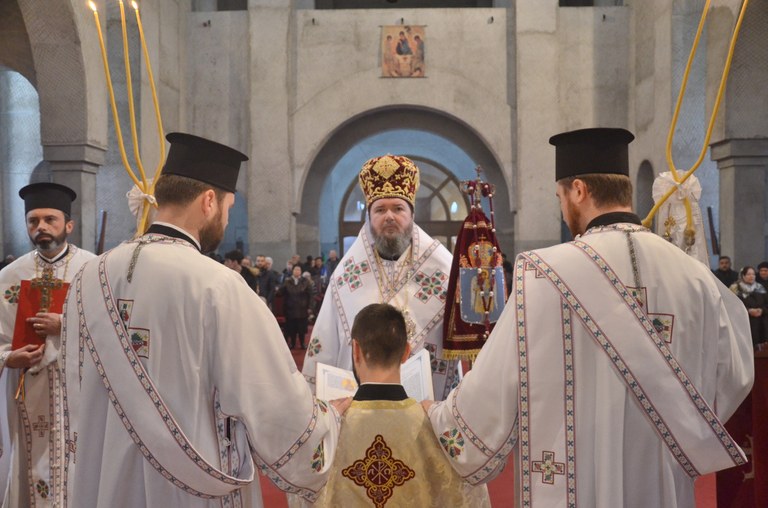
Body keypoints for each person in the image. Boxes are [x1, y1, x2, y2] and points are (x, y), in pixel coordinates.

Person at [425, 128, 754, 508]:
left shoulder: (542, 275)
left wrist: (438, 416)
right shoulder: (695, 277)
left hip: (576, 485)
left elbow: (491, 390)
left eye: (560, 197)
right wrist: (674, 422)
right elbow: (735, 376)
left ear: (578, 190)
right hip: (664, 482)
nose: (562, 209)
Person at [60, 133, 345, 507]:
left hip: (105, 483)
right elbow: (274, 406)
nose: (226, 220)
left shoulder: (87, 278)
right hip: (187, 493)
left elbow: (74, 390)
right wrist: (329, 420)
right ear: (209, 201)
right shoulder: (219, 287)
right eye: (228, 207)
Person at [302, 154, 458, 400]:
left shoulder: (444, 270)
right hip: (359, 404)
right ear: (369, 218)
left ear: (412, 215)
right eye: (380, 209)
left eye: (398, 208)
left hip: (423, 402)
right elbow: (328, 342)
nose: (389, 216)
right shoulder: (346, 276)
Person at [308, 303, 490, 507]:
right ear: (406, 352)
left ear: (356, 350)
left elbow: (301, 487)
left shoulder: (330, 431)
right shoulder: (439, 429)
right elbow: (470, 495)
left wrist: (325, 421)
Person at [0, 182, 96, 506]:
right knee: (30, 465)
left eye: (49, 219)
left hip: (77, 389)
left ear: (68, 225)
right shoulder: (9, 276)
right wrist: (7, 358)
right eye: (33, 220)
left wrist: (65, 325)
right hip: (27, 389)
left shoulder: (93, 270)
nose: (40, 226)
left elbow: (112, 329)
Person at [730, 266, 768, 348]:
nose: (752, 276)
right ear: (743, 276)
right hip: (743, 325)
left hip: (761, 325)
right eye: (748, 274)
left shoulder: (760, 288)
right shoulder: (735, 288)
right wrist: (748, 311)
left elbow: (766, 304)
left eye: (753, 274)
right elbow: (732, 306)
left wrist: (761, 310)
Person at [279, 265, 313, 349]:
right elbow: (280, 292)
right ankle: (292, 343)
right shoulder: (288, 281)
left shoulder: (305, 281)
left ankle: (302, 343)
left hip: (302, 308)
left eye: (299, 270)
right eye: (295, 269)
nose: (297, 271)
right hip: (290, 308)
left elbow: (310, 295)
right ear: (293, 271)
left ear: (301, 271)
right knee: (291, 328)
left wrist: (310, 307)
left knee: (302, 328)